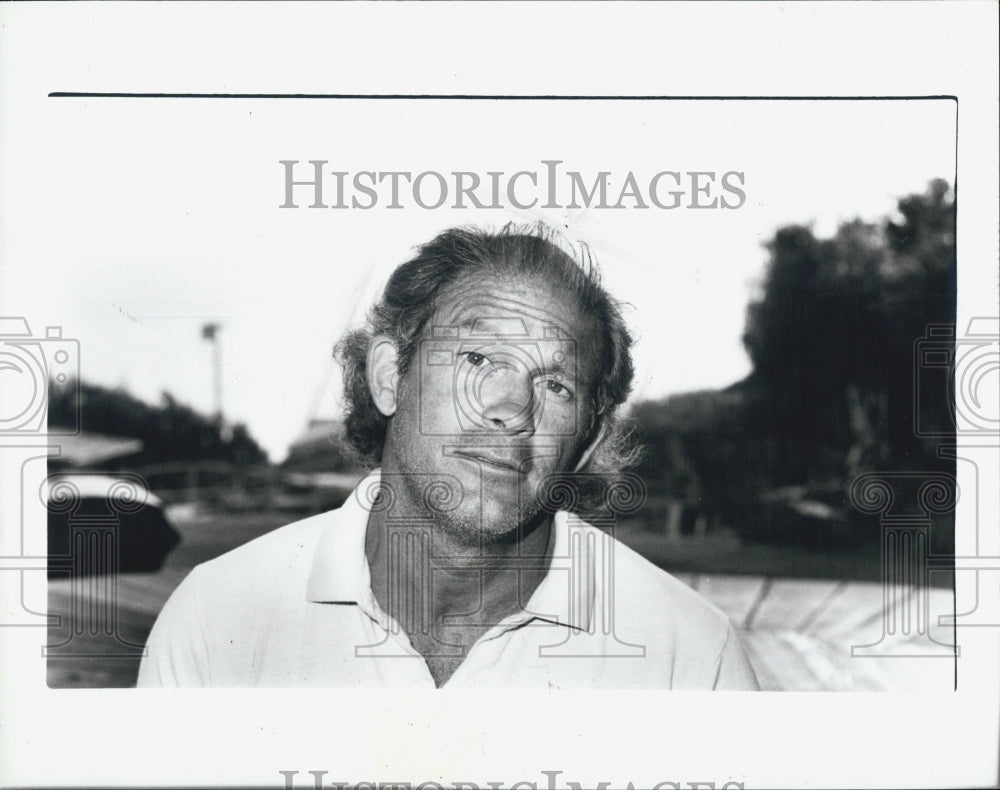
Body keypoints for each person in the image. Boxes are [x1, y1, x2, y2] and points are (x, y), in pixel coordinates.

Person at [137, 224, 758, 689]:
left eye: (556, 385)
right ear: (388, 376)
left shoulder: (692, 659)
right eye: (476, 359)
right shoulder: (216, 619)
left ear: (589, 442)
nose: (510, 407)